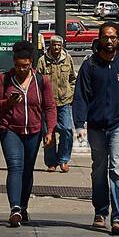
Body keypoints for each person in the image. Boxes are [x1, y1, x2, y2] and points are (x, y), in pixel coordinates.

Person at [72, 22, 119, 234]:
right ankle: (100, 211)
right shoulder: (90, 65)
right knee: (99, 170)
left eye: (113, 37)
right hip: (95, 127)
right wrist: (79, 124)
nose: (109, 41)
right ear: (99, 39)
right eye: (106, 37)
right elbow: (81, 95)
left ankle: (118, 218)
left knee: (117, 170)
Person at [0, 40, 57, 226]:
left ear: (31, 64)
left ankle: (24, 206)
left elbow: (50, 107)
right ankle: (15, 209)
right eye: (19, 66)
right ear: (14, 62)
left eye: (26, 66)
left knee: (27, 170)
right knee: (15, 167)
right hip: (10, 130)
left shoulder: (42, 81)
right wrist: (7, 103)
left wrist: (50, 130)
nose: (22, 70)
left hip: (34, 132)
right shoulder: (5, 79)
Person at [37, 35, 76, 172]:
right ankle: (51, 162)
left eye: (59, 45)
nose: (56, 48)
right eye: (54, 45)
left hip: (64, 101)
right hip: (48, 104)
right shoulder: (42, 60)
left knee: (67, 130)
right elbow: (38, 81)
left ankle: (63, 160)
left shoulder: (68, 59)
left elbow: (72, 78)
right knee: (49, 133)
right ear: (50, 45)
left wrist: (71, 92)